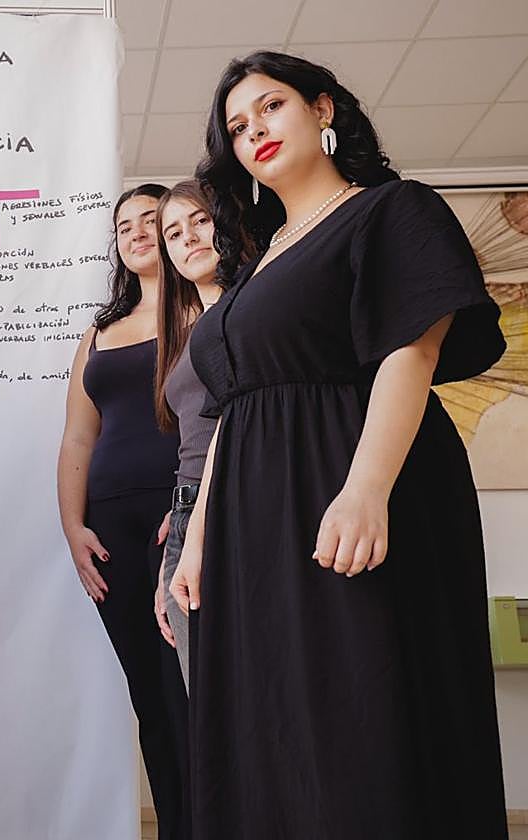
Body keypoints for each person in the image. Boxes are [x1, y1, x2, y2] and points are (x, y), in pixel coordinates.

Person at [169, 51, 508, 838]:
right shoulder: (255, 265)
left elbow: (412, 350)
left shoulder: (392, 210)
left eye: (271, 108)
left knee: (357, 710)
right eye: (238, 126)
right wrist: (196, 539)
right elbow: (233, 406)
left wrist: (364, 489)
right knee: (272, 718)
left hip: (344, 483)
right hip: (254, 516)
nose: (254, 131)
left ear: (323, 109)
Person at [56, 185, 190, 840]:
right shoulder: (100, 330)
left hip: (181, 521)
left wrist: (194, 514)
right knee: (151, 701)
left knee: (188, 692)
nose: (137, 232)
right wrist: (73, 529)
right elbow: (78, 437)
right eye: (125, 224)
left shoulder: (203, 308)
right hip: (109, 523)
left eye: (151, 220)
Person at [151, 180, 234, 688]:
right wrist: (172, 556)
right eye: (174, 233)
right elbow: (191, 445)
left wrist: (195, 536)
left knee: (231, 694)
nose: (190, 239)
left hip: (230, 507)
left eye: (200, 221)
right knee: (202, 695)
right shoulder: (186, 335)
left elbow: (234, 423)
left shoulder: (246, 314)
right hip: (187, 514)